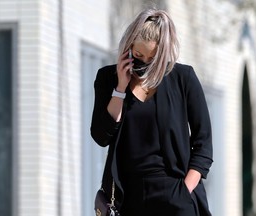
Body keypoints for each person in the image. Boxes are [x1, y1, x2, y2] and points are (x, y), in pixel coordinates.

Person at [91, 8, 213, 216]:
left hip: (176, 196)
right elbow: (102, 136)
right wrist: (120, 89)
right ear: (128, 46)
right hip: (128, 199)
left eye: (152, 58)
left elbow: (204, 144)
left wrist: (184, 191)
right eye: (138, 55)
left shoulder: (183, 78)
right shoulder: (107, 78)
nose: (145, 62)